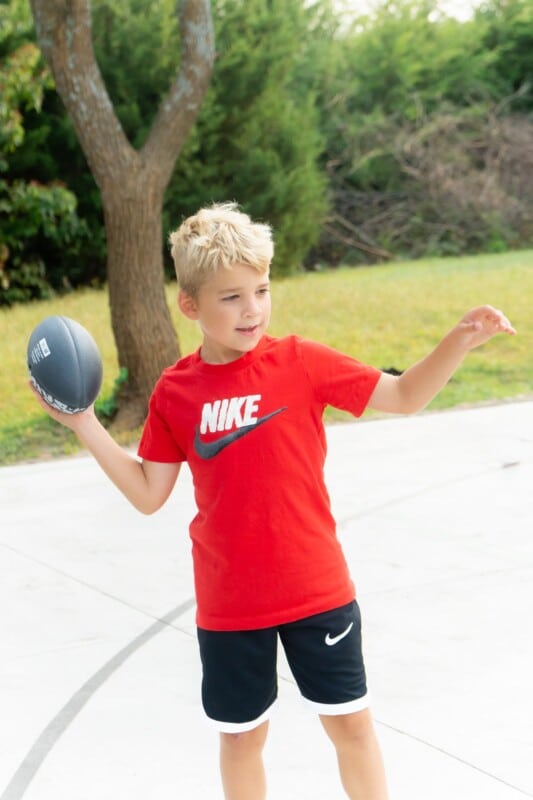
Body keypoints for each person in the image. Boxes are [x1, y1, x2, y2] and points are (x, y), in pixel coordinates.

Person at [31, 202, 516, 800]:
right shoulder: (176, 392)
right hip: (230, 601)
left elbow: (405, 395)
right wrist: (83, 424)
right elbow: (148, 493)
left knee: (351, 725)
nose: (252, 308)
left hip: (316, 587)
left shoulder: (301, 362)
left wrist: (459, 340)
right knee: (240, 738)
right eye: (231, 297)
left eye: (260, 289)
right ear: (191, 305)